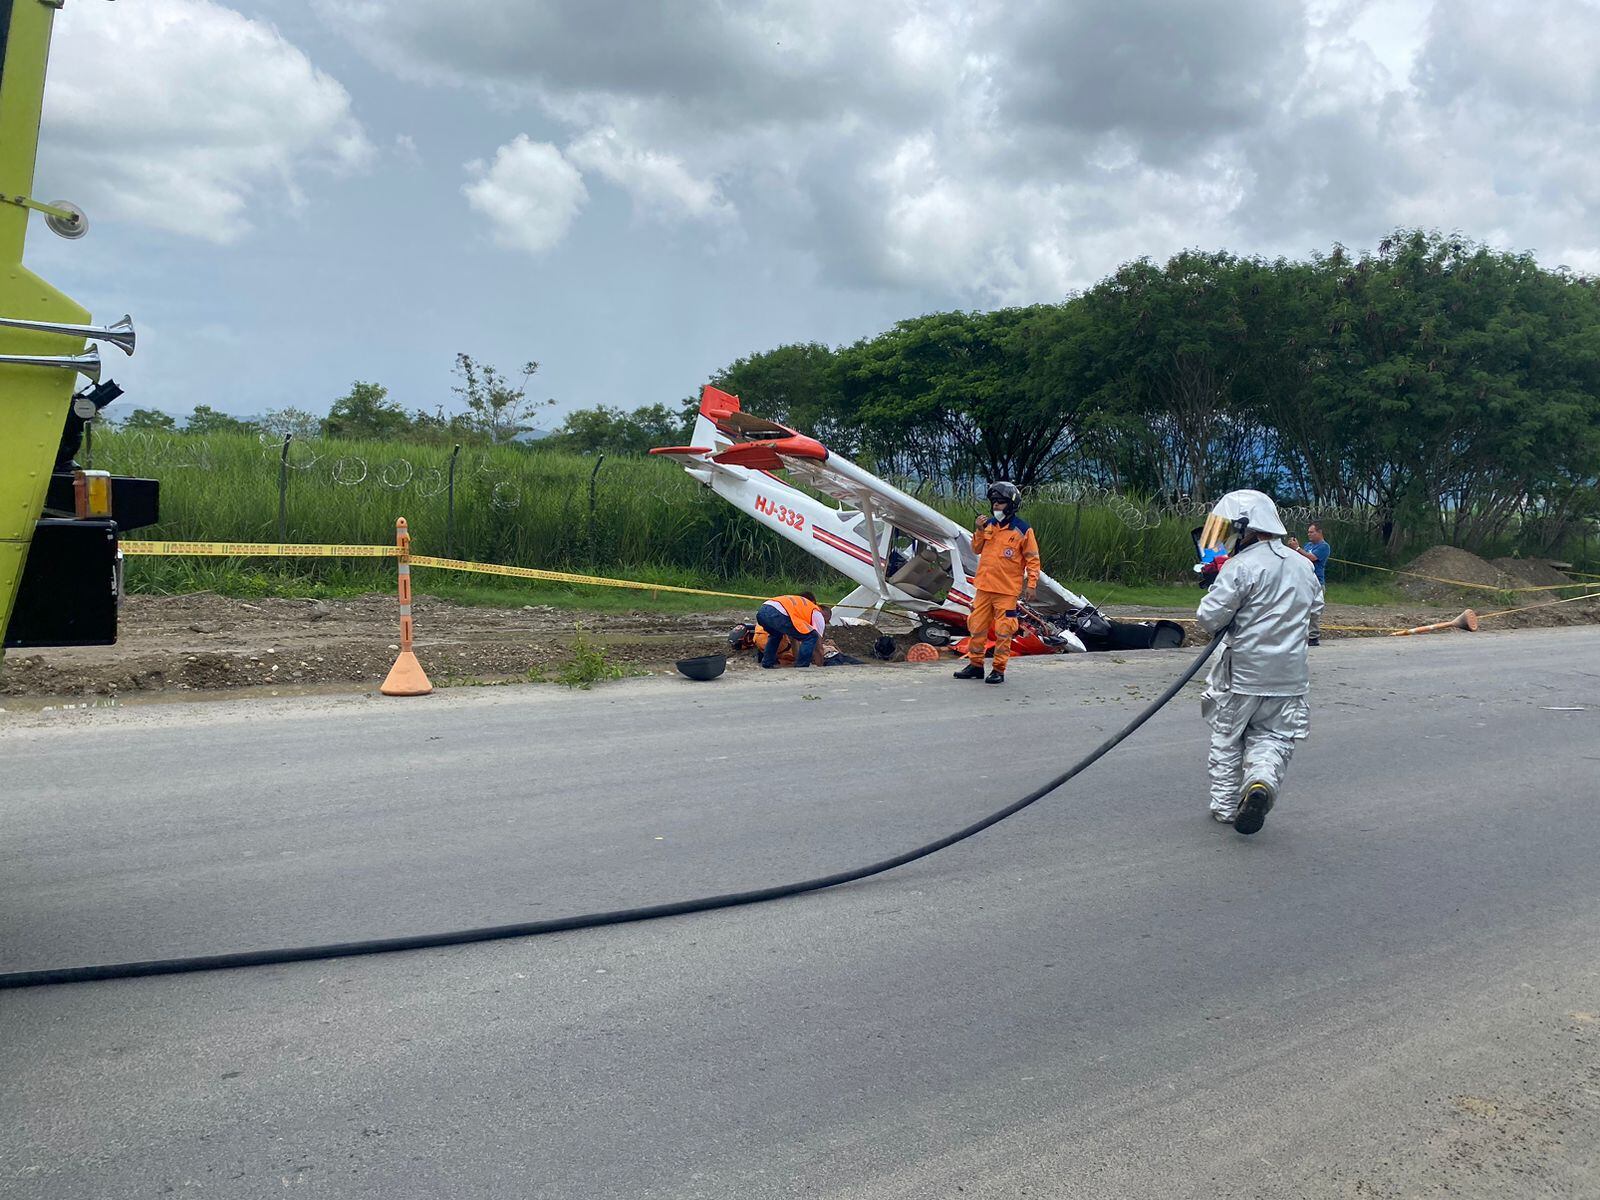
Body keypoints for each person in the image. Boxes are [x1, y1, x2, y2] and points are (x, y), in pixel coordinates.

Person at [1194, 490, 1324, 836]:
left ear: (1246, 528)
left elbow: (1209, 618)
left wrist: (1213, 586)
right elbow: (1315, 613)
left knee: (1227, 737)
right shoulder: (1302, 566)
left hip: (1243, 676)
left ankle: (1224, 807)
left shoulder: (1240, 567)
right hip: (1289, 677)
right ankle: (1261, 782)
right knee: (1274, 738)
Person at [953, 481, 1039, 686]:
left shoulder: (1023, 530)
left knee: (1003, 630)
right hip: (984, 587)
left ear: (1011, 505)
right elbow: (976, 549)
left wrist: (1032, 584)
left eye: (1000, 503)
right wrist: (979, 530)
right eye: (994, 503)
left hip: (1006, 590)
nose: (996, 507)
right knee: (976, 626)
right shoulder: (989, 525)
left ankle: (998, 669)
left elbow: (1033, 559)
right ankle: (975, 665)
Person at [754, 592, 828, 668]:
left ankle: (767, 663)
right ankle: (802, 666)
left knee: (776, 635)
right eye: (826, 622)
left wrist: (796, 658)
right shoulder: (817, 613)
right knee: (811, 636)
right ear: (825, 616)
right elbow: (818, 647)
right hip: (777, 612)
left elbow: (793, 638)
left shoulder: (800, 610)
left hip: (763, 611)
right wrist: (820, 666)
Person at [1286, 522, 1330, 646]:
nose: (1309, 534)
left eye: (1312, 532)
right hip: (1304, 581)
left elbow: (1312, 558)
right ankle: (1300, 634)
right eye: (1308, 532)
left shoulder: (1324, 546)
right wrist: (1293, 550)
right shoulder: (1308, 545)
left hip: (1317, 581)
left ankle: (1313, 636)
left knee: (1314, 610)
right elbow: (1299, 558)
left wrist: (1298, 548)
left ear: (1319, 532)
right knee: (1300, 608)